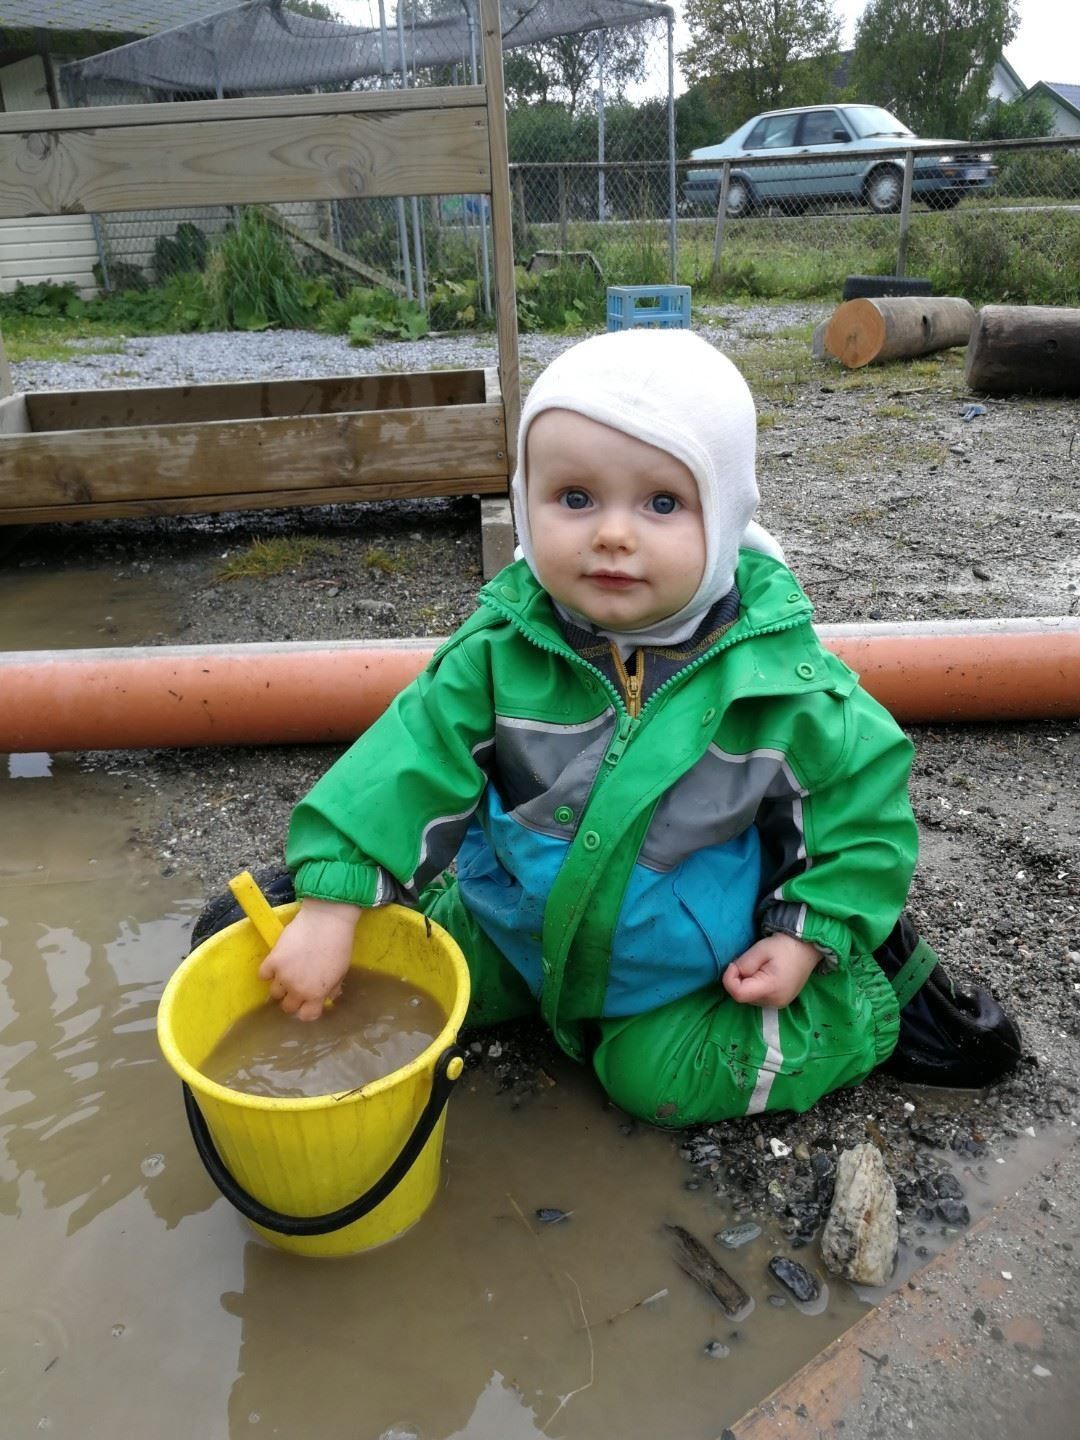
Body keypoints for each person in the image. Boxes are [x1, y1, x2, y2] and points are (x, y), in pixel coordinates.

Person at [216, 329, 1020, 1125]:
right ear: (526, 500)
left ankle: (865, 1001)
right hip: (516, 929)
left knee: (651, 1081)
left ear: (727, 519)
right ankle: (347, 890)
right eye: (575, 498)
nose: (611, 533)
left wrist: (809, 934)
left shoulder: (784, 684)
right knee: (417, 979)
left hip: (677, 966)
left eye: (662, 502)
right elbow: (408, 760)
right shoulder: (498, 652)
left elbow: (861, 806)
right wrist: (332, 904)